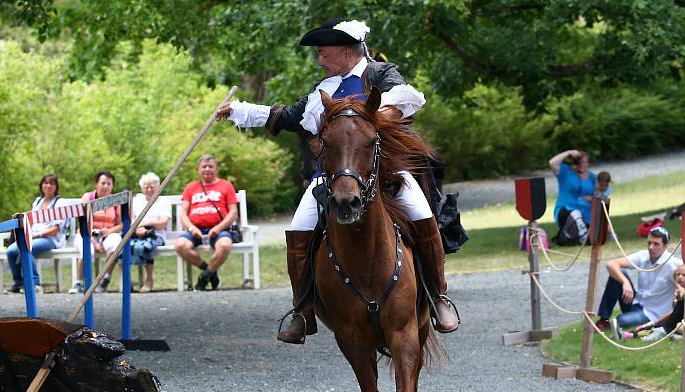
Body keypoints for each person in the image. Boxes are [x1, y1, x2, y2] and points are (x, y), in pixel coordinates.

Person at [216, 18, 459, 342]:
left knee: (422, 215)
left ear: (346, 52)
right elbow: (287, 116)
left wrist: (370, 117)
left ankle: (437, 296)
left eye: (323, 53)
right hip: (332, 177)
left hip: (384, 172)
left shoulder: (379, 74)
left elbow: (406, 99)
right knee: (299, 229)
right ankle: (303, 311)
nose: (319, 61)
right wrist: (236, 110)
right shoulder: (324, 90)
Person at [594, 226, 683, 332]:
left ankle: (619, 323)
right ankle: (603, 320)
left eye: (656, 244)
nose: (651, 247)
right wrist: (625, 282)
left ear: (665, 246)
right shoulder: (643, 255)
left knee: (620, 320)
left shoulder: (674, 264)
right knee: (618, 274)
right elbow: (611, 264)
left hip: (653, 313)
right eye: (649, 243)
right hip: (636, 303)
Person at [173, 155, 238, 291]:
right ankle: (210, 272)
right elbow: (183, 214)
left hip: (219, 230)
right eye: (204, 166)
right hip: (195, 230)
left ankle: (204, 277)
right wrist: (191, 228)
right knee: (180, 246)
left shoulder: (226, 186)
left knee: (225, 246)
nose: (207, 169)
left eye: (210, 166)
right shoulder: (191, 188)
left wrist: (219, 228)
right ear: (198, 169)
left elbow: (233, 213)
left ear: (216, 169)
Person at [6, 173, 67, 293]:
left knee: (27, 248)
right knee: (11, 251)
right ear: (41, 185)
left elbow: (56, 229)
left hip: (50, 238)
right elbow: (31, 221)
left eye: (52, 183)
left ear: (56, 187)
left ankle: (34, 284)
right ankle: (19, 283)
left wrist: (37, 235)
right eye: (46, 183)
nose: (48, 186)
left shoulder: (59, 203)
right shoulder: (38, 201)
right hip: (32, 236)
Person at [68, 171, 123, 294]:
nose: (106, 186)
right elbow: (82, 222)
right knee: (88, 250)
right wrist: (93, 240)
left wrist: (109, 231)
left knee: (115, 244)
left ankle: (105, 279)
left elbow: (121, 224)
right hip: (85, 233)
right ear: (96, 184)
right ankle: (79, 282)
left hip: (107, 234)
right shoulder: (88, 198)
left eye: (109, 184)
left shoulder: (115, 201)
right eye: (103, 183)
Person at [125, 172, 170, 292]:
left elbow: (163, 223)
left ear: (158, 187)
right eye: (146, 187)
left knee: (145, 246)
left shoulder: (163, 202)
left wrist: (144, 225)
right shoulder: (136, 200)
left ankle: (149, 279)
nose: (149, 189)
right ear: (142, 188)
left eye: (152, 187)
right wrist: (138, 228)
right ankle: (127, 281)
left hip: (156, 234)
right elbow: (131, 219)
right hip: (137, 233)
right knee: (123, 247)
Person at [617, 264, 685, 341]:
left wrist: (682, 294)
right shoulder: (678, 292)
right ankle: (627, 334)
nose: (680, 277)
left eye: (684, 275)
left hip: (674, 326)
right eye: (678, 274)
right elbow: (673, 311)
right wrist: (657, 321)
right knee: (650, 327)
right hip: (670, 324)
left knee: (654, 332)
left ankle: (630, 335)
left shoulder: (681, 293)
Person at [549, 149, 596, 245]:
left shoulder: (592, 177)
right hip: (566, 211)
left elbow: (601, 195)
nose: (582, 164)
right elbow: (552, 162)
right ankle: (582, 235)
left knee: (592, 236)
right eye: (580, 162)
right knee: (575, 213)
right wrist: (568, 153)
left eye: (585, 162)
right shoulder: (565, 171)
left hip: (585, 214)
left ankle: (577, 236)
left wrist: (592, 199)